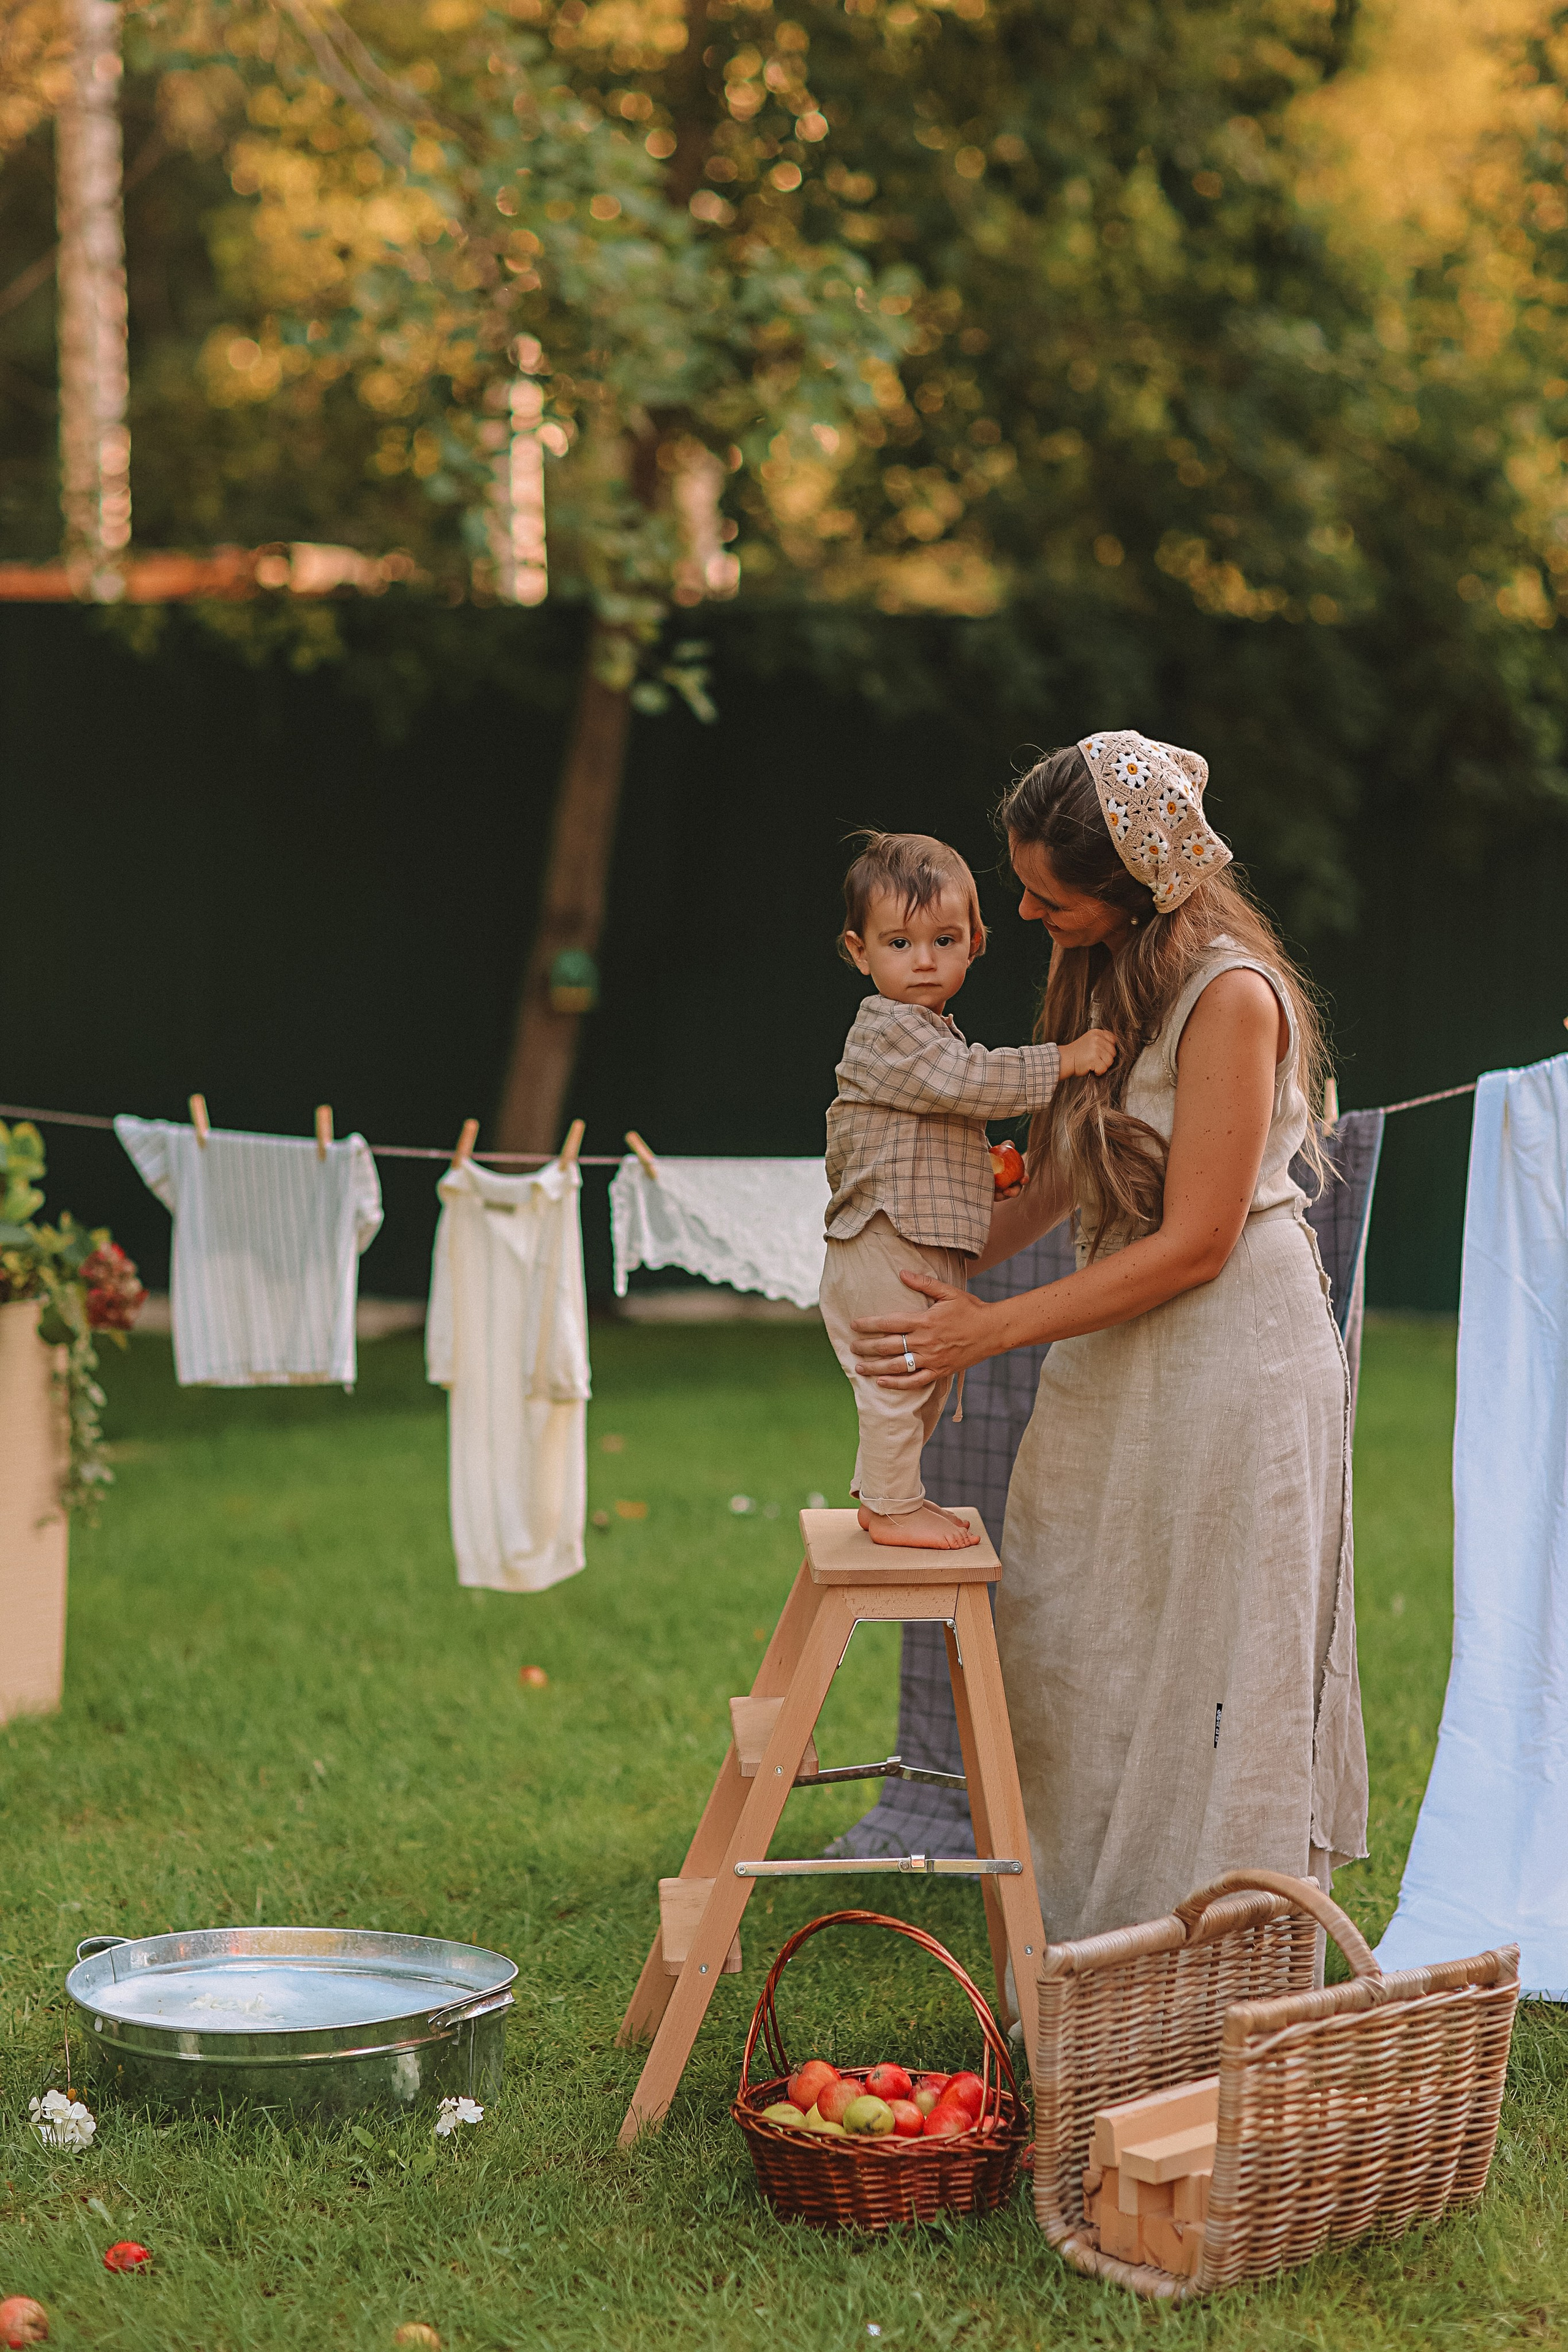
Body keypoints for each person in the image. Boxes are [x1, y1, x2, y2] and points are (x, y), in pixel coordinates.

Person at [847, 739, 1368, 1937]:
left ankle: (1204, 1975)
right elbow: (1060, 1169)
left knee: (1210, 1665)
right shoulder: (1093, 968)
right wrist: (922, 1245)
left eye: (1047, 894)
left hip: (1230, 1354)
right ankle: (1080, 1968)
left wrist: (986, 1332)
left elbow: (1194, 1240)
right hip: (1116, 1350)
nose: (1020, 912)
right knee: (1070, 1637)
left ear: (1139, 887)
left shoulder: (1229, 995)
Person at [820, 831, 1115, 1553]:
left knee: (920, 1382)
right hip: (880, 1240)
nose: (923, 959)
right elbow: (968, 1082)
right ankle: (893, 1507)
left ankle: (883, 1496)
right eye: (898, 944)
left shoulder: (930, 1034)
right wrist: (1067, 1059)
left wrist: (987, 1172)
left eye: (943, 939)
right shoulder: (888, 1032)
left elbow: (933, 1125)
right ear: (859, 953)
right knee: (900, 1379)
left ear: (975, 943)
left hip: (911, 1238)